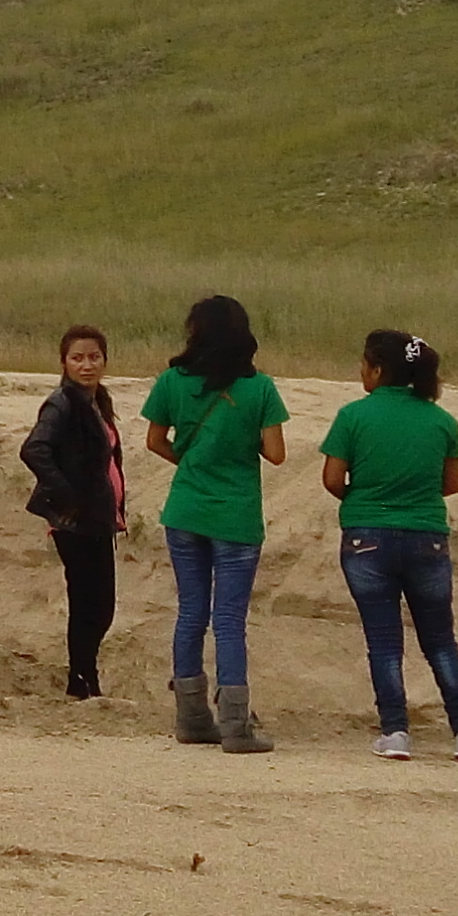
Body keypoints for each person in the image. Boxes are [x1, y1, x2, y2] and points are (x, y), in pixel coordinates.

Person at [320, 331, 458, 761]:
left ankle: (395, 730)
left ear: (378, 370)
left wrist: (363, 499)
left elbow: (331, 478)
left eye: (365, 364)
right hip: (426, 536)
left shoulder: (352, 416)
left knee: (383, 640)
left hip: (366, 537)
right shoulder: (440, 421)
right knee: (440, 639)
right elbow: (452, 483)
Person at [144, 294, 288, 754]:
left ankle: (191, 716)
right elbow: (276, 453)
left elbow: (153, 440)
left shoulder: (172, 381)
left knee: (190, 613)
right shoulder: (259, 388)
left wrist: (188, 460)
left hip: (185, 507)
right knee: (229, 620)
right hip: (236, 512)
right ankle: (235, 724)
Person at [18, 326, 128, 699]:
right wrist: (67, 496)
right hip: (76, 522)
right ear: (64, 362)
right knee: (88, 603)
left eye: (94, 357)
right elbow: (34, 449)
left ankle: (84, 674)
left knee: (102, 604)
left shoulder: (97, 400)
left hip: (98, 518)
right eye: (77, 358)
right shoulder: (62, 403)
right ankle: (81, 680)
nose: (87, 365)